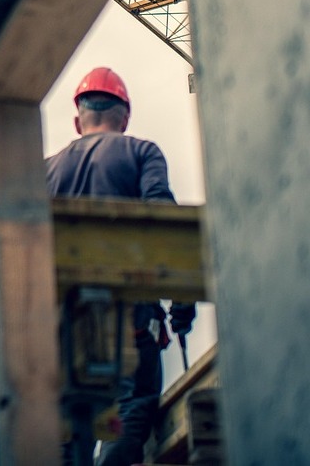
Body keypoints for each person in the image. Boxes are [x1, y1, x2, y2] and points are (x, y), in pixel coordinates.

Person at [46, 66, 196, 466]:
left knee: (66, 421)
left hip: (59, 330)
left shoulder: (43, 172)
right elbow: (165, 223)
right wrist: (182, 302)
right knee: (132, 403)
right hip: (128, 322)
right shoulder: (141, 152)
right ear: (124, 117)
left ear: (79, 121)